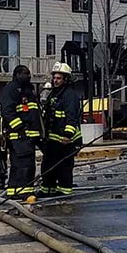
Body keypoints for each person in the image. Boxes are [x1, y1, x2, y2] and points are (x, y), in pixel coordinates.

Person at [0, 64, 42, 200]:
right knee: (26, 165)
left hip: (27, 136)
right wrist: (20, 128)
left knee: (18, 164)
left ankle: (13, 191)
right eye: (26, 74)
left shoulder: (28, 91)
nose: (29, 76)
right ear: (17, 74)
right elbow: (7, 111)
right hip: (20, 135)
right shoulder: (11, 90)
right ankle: (25, 191)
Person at [40, 62, 82, 197]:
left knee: (63, 167)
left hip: (65, 140)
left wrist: (68, 135)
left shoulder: (70, 95)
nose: (55, 80)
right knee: (48, 165)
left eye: (59, 78)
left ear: (66, 79)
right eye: (55, 78)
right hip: (53, 139)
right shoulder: (54, 94)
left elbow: (72, 117)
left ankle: (64, 191)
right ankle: (47, 189)